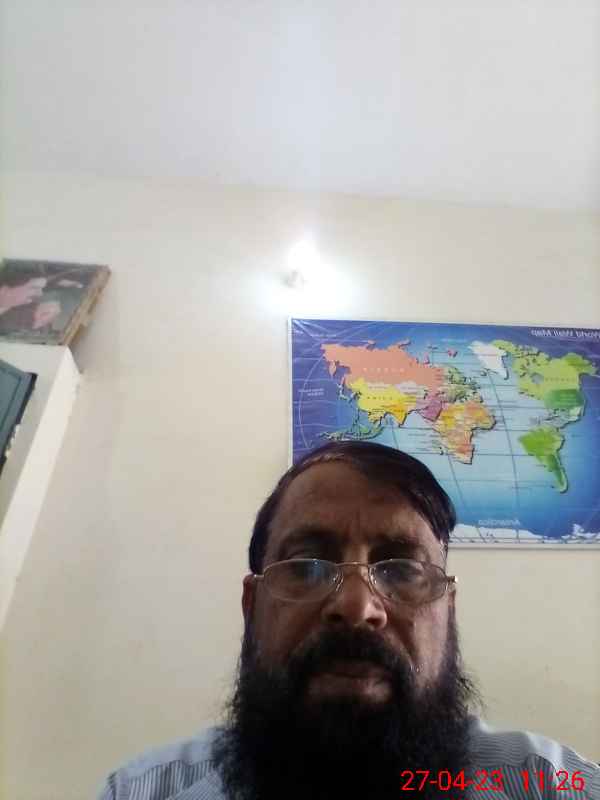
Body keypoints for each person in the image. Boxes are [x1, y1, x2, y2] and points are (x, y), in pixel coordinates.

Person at [98, 441, 599, 800]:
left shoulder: (554, 786)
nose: (358, 608)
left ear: (447, 612)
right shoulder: (139, 792)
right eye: (307, 565)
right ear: (252, 607)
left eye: (401, 569)